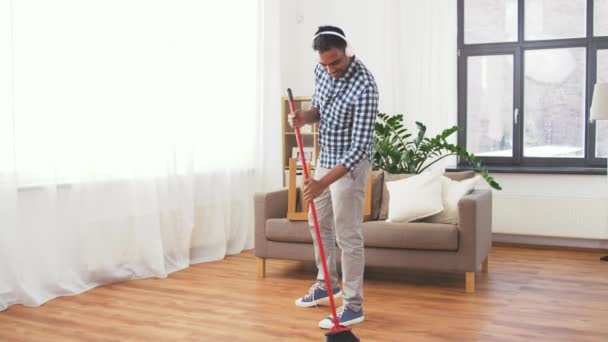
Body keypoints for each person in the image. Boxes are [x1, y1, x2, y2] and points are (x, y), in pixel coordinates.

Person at [288, 25, 379, 329]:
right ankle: (327, 284)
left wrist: (322, 181)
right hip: (325, 158)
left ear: (347, 51)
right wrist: (304, 117)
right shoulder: (322, 71)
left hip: (350, 166)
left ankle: (353, 305)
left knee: (347, 234)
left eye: (336, 62)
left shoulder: (365, 86)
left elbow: (358, 148)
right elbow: (319, 110)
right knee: (318, 223)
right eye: (324, 64)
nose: (330, 70)